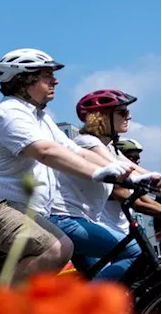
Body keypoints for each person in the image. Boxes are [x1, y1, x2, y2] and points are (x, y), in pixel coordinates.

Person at [0, 49, 135, 283]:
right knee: (56, 248)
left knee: (53, 281)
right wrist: (98, 173)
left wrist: (127, 175)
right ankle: (2, 313)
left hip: (15, 207)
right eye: (47, 75)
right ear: (25, 81)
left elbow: (74, 150)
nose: (55, 81)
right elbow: (45, 151)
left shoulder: (40, 118)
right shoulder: (9, 114)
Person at [51, 90, 162, 281]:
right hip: (66, 219)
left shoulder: (109, 147)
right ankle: (91, 307)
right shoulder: (87, 142)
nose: (129, 116)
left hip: (82, 221)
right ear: (101, 117)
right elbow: (122, 168)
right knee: (134, 253)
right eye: (123, 112)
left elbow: (138, 170)